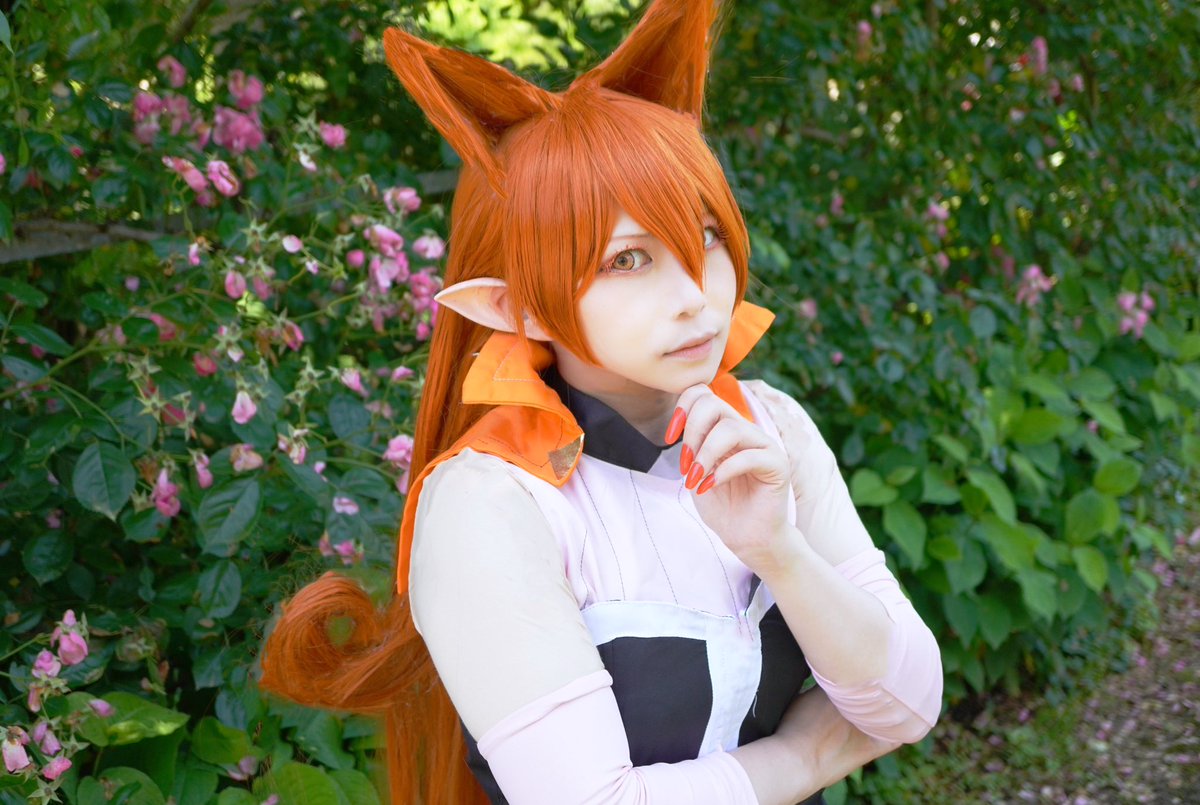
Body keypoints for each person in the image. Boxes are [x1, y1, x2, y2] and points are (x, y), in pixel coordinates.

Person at [259, 1, 943, 803]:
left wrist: (780, 552)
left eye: (705, 237)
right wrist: (805, 756)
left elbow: (908, 701)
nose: (695, 295)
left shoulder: (772, 426)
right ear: (516, 306)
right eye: (627, 259)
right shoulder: (492, 502)